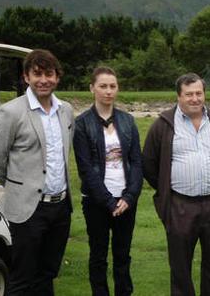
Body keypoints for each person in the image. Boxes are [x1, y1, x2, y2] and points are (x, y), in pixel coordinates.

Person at [0, 49, 74, 295]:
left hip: (60, 208)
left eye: (49, 73)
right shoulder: (11, 112)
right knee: (22, 277)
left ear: (57, 77)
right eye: (37, 74)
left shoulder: (65, 110)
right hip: (27, 209)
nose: (43, 79)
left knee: (47, 274)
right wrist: (19, 184)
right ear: (26, 77)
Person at [142, 73, 210, 296]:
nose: (195, 99)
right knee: (180, 266)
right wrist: (167, 192)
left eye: (199, 93)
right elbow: (149, 164)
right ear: (179, 97)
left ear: (204, 94)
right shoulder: (163, 125)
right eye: (189, 94)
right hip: (180, 206)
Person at [73, 67, 143, 296]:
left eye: (112, 86)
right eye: (103, 86)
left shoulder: (127, 121)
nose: (108, 91)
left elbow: (136, 162)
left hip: (125, 201)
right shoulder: (82, 124)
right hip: (96, 202)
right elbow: (85, 168)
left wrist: (129, 197)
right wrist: (108, 202)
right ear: (92, 88)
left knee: (123, 255)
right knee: (98, 255)